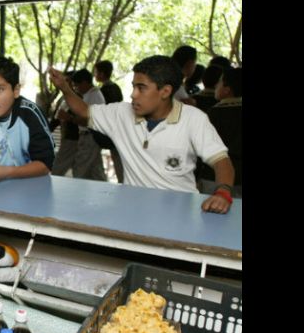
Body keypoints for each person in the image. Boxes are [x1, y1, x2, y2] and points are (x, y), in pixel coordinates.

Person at [48, 55, 235, 214]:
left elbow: (221, 161)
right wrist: (65, 88)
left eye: (141, 88)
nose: (133, 95)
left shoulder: (194, 119)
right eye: (133, 87)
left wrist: (223, 193)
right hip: (133, 211)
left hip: (178, 214)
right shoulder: (121, 114)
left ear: (165, 91)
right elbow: (84, 111)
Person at [198, 67, 242, 197]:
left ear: (227, 90)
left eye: (219, 82)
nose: (216, 85)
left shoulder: (214, 113)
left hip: (213, 176)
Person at [93, 59, 125, 182]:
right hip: (118, 128)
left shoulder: (103, 91)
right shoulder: (115, 87)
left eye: (96, 72)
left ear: (101, 74)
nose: (95, 75)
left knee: (118, 160)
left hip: (112, 130)